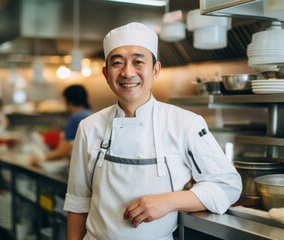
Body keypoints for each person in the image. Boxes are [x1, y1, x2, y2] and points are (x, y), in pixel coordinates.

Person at [63, 22, 242, 240]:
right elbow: (78, 203)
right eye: (117, 63)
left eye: (138, 62)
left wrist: (168, 201)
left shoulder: (185, 123)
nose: (128, 72)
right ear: (105, 73)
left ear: (155, 70)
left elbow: (228, 185)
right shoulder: (89, 127)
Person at [32, 84, 91, 162]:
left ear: (68, 100)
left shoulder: (76, 118)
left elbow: (61, 151)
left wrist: (40, 158)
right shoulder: (89, 114)